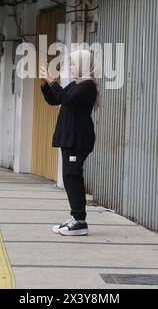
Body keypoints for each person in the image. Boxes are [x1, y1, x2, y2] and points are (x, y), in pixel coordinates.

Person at [40, 49, 98, 236]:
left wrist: (52, 81)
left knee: (72, 177)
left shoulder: (88, 86)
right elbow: (56, 99)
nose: (70, 68)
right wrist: (45, 85)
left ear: (83, 66)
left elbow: (66, 98)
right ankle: (75, 217)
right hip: (69, 138)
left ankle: (80, 221)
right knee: (69, 177)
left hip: (78, 139)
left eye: (73, 64)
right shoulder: (76, 84)